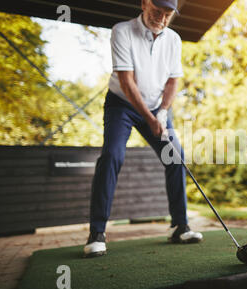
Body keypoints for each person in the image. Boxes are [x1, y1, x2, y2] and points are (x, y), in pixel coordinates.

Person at [84, 0, 203, 258]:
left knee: (176, 158)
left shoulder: (173, 39)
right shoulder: (122, 31)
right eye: (157, 11)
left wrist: (161, 112)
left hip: (158, 108)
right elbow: (127, 82)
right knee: (112, 156)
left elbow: (173, 81)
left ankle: (180, 227)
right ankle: (97, 233)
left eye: (168, 15)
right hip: (122, 106)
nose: (161, 19)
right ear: (144, 3)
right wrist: (149, 118)